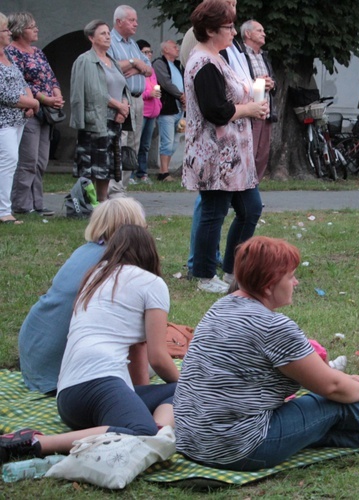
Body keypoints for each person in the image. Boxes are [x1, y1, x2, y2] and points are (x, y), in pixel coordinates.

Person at [174, 236, 359, 471]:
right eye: (290, 276)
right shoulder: (272, 326)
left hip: (194, 441)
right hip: (240, 447)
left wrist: (348, 380)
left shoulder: (220, 307)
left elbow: (325, 377)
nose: (296, 282)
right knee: (326, 406)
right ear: (268, 285)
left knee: (315, 426)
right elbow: (333, 387)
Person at [0, 225, 179, 465]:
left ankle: (159, 431)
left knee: (177, 393)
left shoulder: (95, 276)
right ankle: (36, 442)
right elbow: (158, 357)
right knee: (142, 430)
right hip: (98, 385)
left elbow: (138, 353)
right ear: (150, 253)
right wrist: (189, 386)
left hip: (68, 398)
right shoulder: (152, 283)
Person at [18, 198, 149, 394]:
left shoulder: (83, 252)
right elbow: (136, 344)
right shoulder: (120, 266)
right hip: (65, 373)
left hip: (34, 354)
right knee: (154, 365)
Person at [182, 0, 268, 293]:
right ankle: (205, 274)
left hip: (234, 156)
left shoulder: (218, 57)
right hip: (214, 155)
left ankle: (233, 270)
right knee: (213, 213)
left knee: (251, 208)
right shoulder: (203, 63)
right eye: (228, 26)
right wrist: (249, 110)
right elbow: (215, 110)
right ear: (209, 30)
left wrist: (253, 105)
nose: (233, 31)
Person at [6, 12, 62, 216]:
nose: (36, 29)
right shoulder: (12, 53)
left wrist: (57, 94)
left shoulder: (38, 52)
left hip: (47, 112)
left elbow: (50, 76)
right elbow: (21, 83)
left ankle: (37, 202)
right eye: (32, 26)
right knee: (27, 160)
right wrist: (43, 99)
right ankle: (21, 204)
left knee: (41, 160)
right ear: (20, 31)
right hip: (30, 111)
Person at [70, 19, 132, 202]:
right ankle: (87, 201)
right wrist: (117, 105)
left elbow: (123, 86)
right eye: (103, 33)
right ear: (91, 38)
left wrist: (123, 106)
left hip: (114, 120)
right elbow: (93, 91)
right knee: (92, 163)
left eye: (108, 33)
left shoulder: (112, 61)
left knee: (108, 163)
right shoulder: (85, 61)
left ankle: (103, 200)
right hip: (95, 119)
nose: (107, 36)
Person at [108, 4, 152, 189]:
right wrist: (135, 62)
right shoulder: (110, 41)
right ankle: (112, 189)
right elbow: (111, 66)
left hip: (138, 99)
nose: (136, 23)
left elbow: (148, 70)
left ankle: (122, 189)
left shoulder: (132, 44)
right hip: (120, 99)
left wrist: (136, 65)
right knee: (119, 143)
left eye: (136, 20)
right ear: (119, 21)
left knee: (132, 147)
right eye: (131, 20)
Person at [0, 12, 38, 226]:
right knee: (8, 162)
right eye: (5, 30)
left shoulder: (9, 56)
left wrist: (31, 100)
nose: (9, 33)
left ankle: (5, 207)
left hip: (18, 120)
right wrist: (31, 103)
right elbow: (5, 94)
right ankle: (4, 211)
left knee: (10, 163)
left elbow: (22, 82)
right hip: (3, 121)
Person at [242, 19, 277, 181]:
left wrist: (271, 83)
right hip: (250, 112)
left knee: (262, 154)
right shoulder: (240, 54)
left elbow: (272, 81)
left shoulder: (264, 56)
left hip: (266, 110)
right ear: (247, 34)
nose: (264, 34)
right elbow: (238, 82)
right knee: (249, 152)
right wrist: (257, 83)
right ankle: (243, 190)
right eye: (259, 31)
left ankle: (254, 190)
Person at [129, 39, 161, 185]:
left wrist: (158, 101)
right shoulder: (137, 69)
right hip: (142, 110)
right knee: (134, 143)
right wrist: (149, 94)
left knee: (145, 145)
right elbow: (135, 90)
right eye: (145, 52)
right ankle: (129, 174)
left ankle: (142, 173)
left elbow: (154, 86)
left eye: (150, 52)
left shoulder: (151, 70)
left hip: (153, 111)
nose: (148, 55)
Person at [152, 39, 184, 182]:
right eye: (174, 47)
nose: (177, 49)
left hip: (180, 108)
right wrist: (181, 95)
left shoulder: (177, 65)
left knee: (175, 141)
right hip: (168, 108)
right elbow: (165, 83)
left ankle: (165, 170)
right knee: (167, 140)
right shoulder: (159, 63)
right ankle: (163, 172)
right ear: (165, 50)